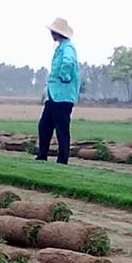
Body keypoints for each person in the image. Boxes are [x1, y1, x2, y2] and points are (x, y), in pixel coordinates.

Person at [36, 18, 80, 164]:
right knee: (44, 125)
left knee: (62, 129)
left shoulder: (68, 47)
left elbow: (68, 62)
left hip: (63, 96)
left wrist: (64, 76)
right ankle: (42, 155)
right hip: (54, 95)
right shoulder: (60, 47)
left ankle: (62, 159)